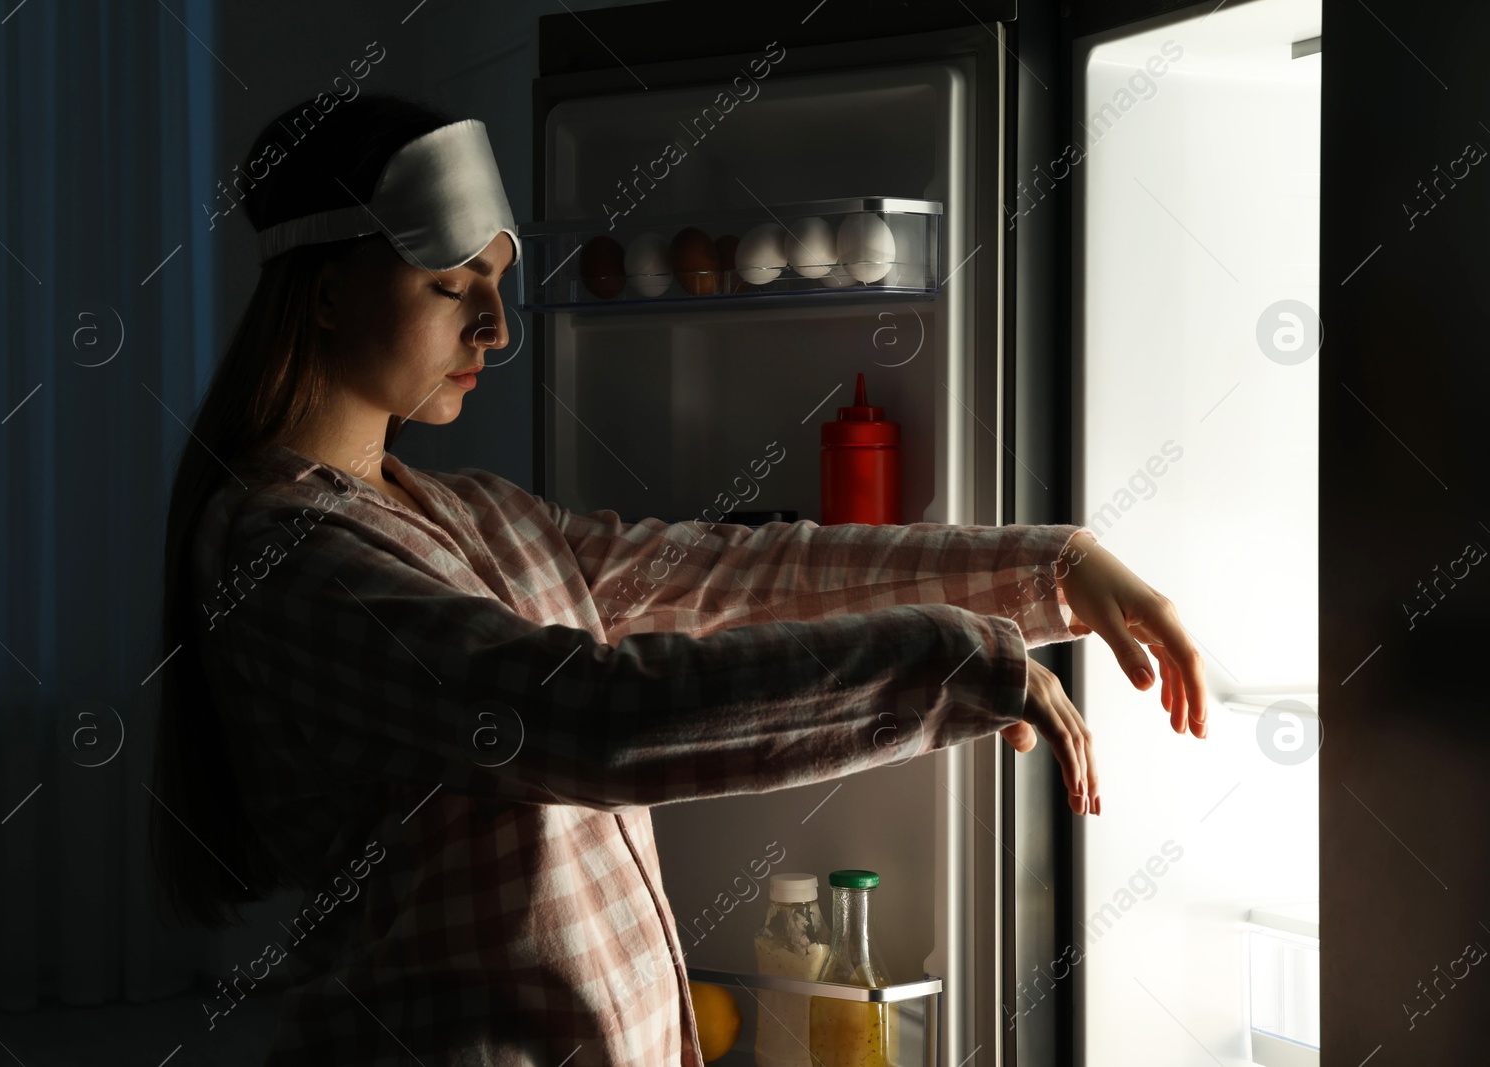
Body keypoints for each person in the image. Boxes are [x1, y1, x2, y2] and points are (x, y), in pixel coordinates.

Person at [150, 94, 1208, 1067]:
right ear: (327, 294)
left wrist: (1051, 565)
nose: (497, 327)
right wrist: (944, 660)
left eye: (501, 284)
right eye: (450, 284)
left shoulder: (471, 509)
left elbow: (739, 569)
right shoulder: (279, 553)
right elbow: (583, 717)